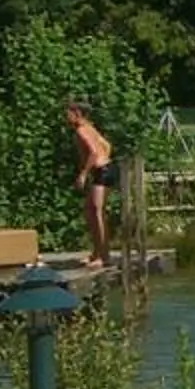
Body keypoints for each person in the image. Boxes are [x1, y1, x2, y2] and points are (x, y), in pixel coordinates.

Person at [66, 100, 117, 267]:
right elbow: (107, 145)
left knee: (97, 212)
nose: (66, 117)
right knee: (90, 211)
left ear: (77, 113)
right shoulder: (90, 127)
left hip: (101, 172)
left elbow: (94, 153)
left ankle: (104, 256)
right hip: (104, 169)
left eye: (68, 113)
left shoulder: (82, 130)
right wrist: (105, 159)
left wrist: (83, 174)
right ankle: (97, 253)